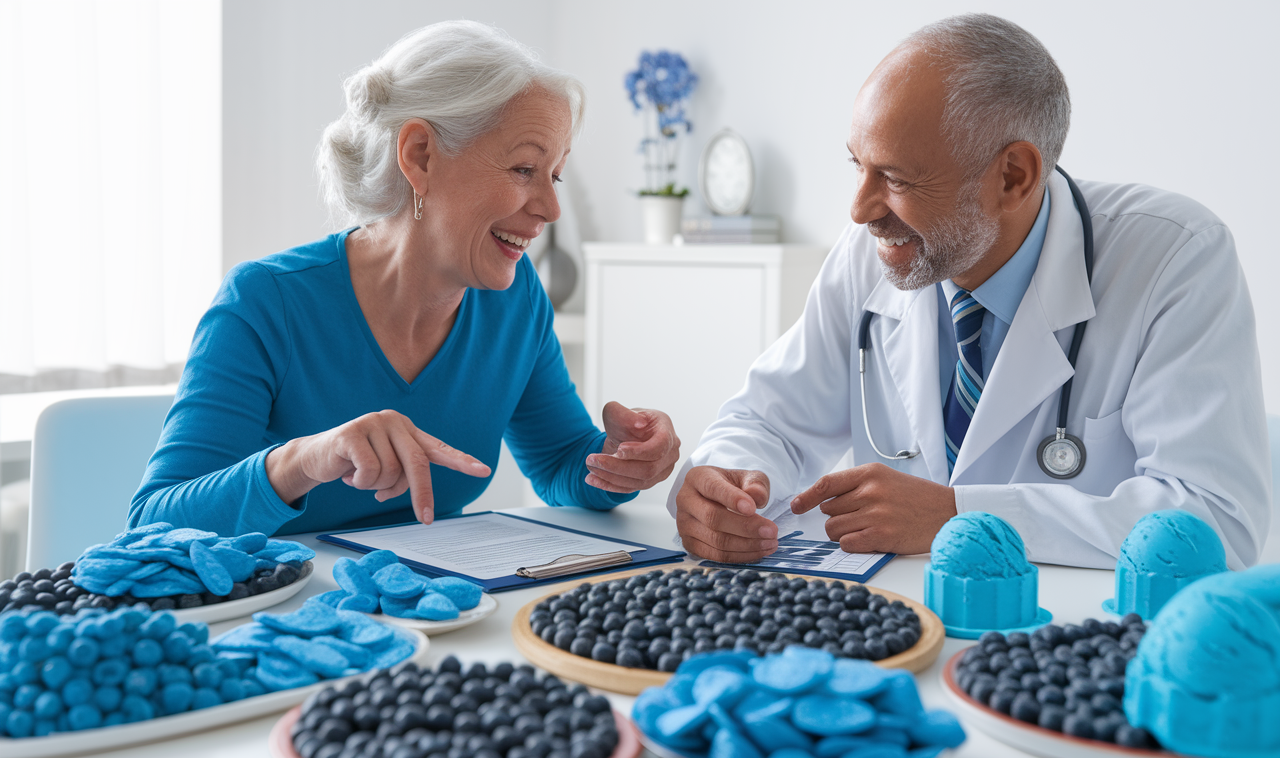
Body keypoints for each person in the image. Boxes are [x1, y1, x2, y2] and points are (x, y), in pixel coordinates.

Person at [670, 13, 1269, 570]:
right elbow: (769, 420)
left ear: (1013, 176)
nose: (859, 210)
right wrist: (729, 478)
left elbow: (1214, 521)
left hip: (1068, 638)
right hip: (899, 619)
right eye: (859, 165)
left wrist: (960, 518)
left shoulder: (1175, 258)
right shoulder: (872, 253)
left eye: (897, 179)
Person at [131, 21, 679, 537]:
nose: (551, 208)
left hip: (441, 614)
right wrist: (307, 459)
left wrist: (619, 459)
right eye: (523, 169)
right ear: (420, 156)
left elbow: (561, 462)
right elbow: (151, 524)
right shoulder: (265, 302)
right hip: (292, 623)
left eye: (554, 175)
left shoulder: (514, 300)